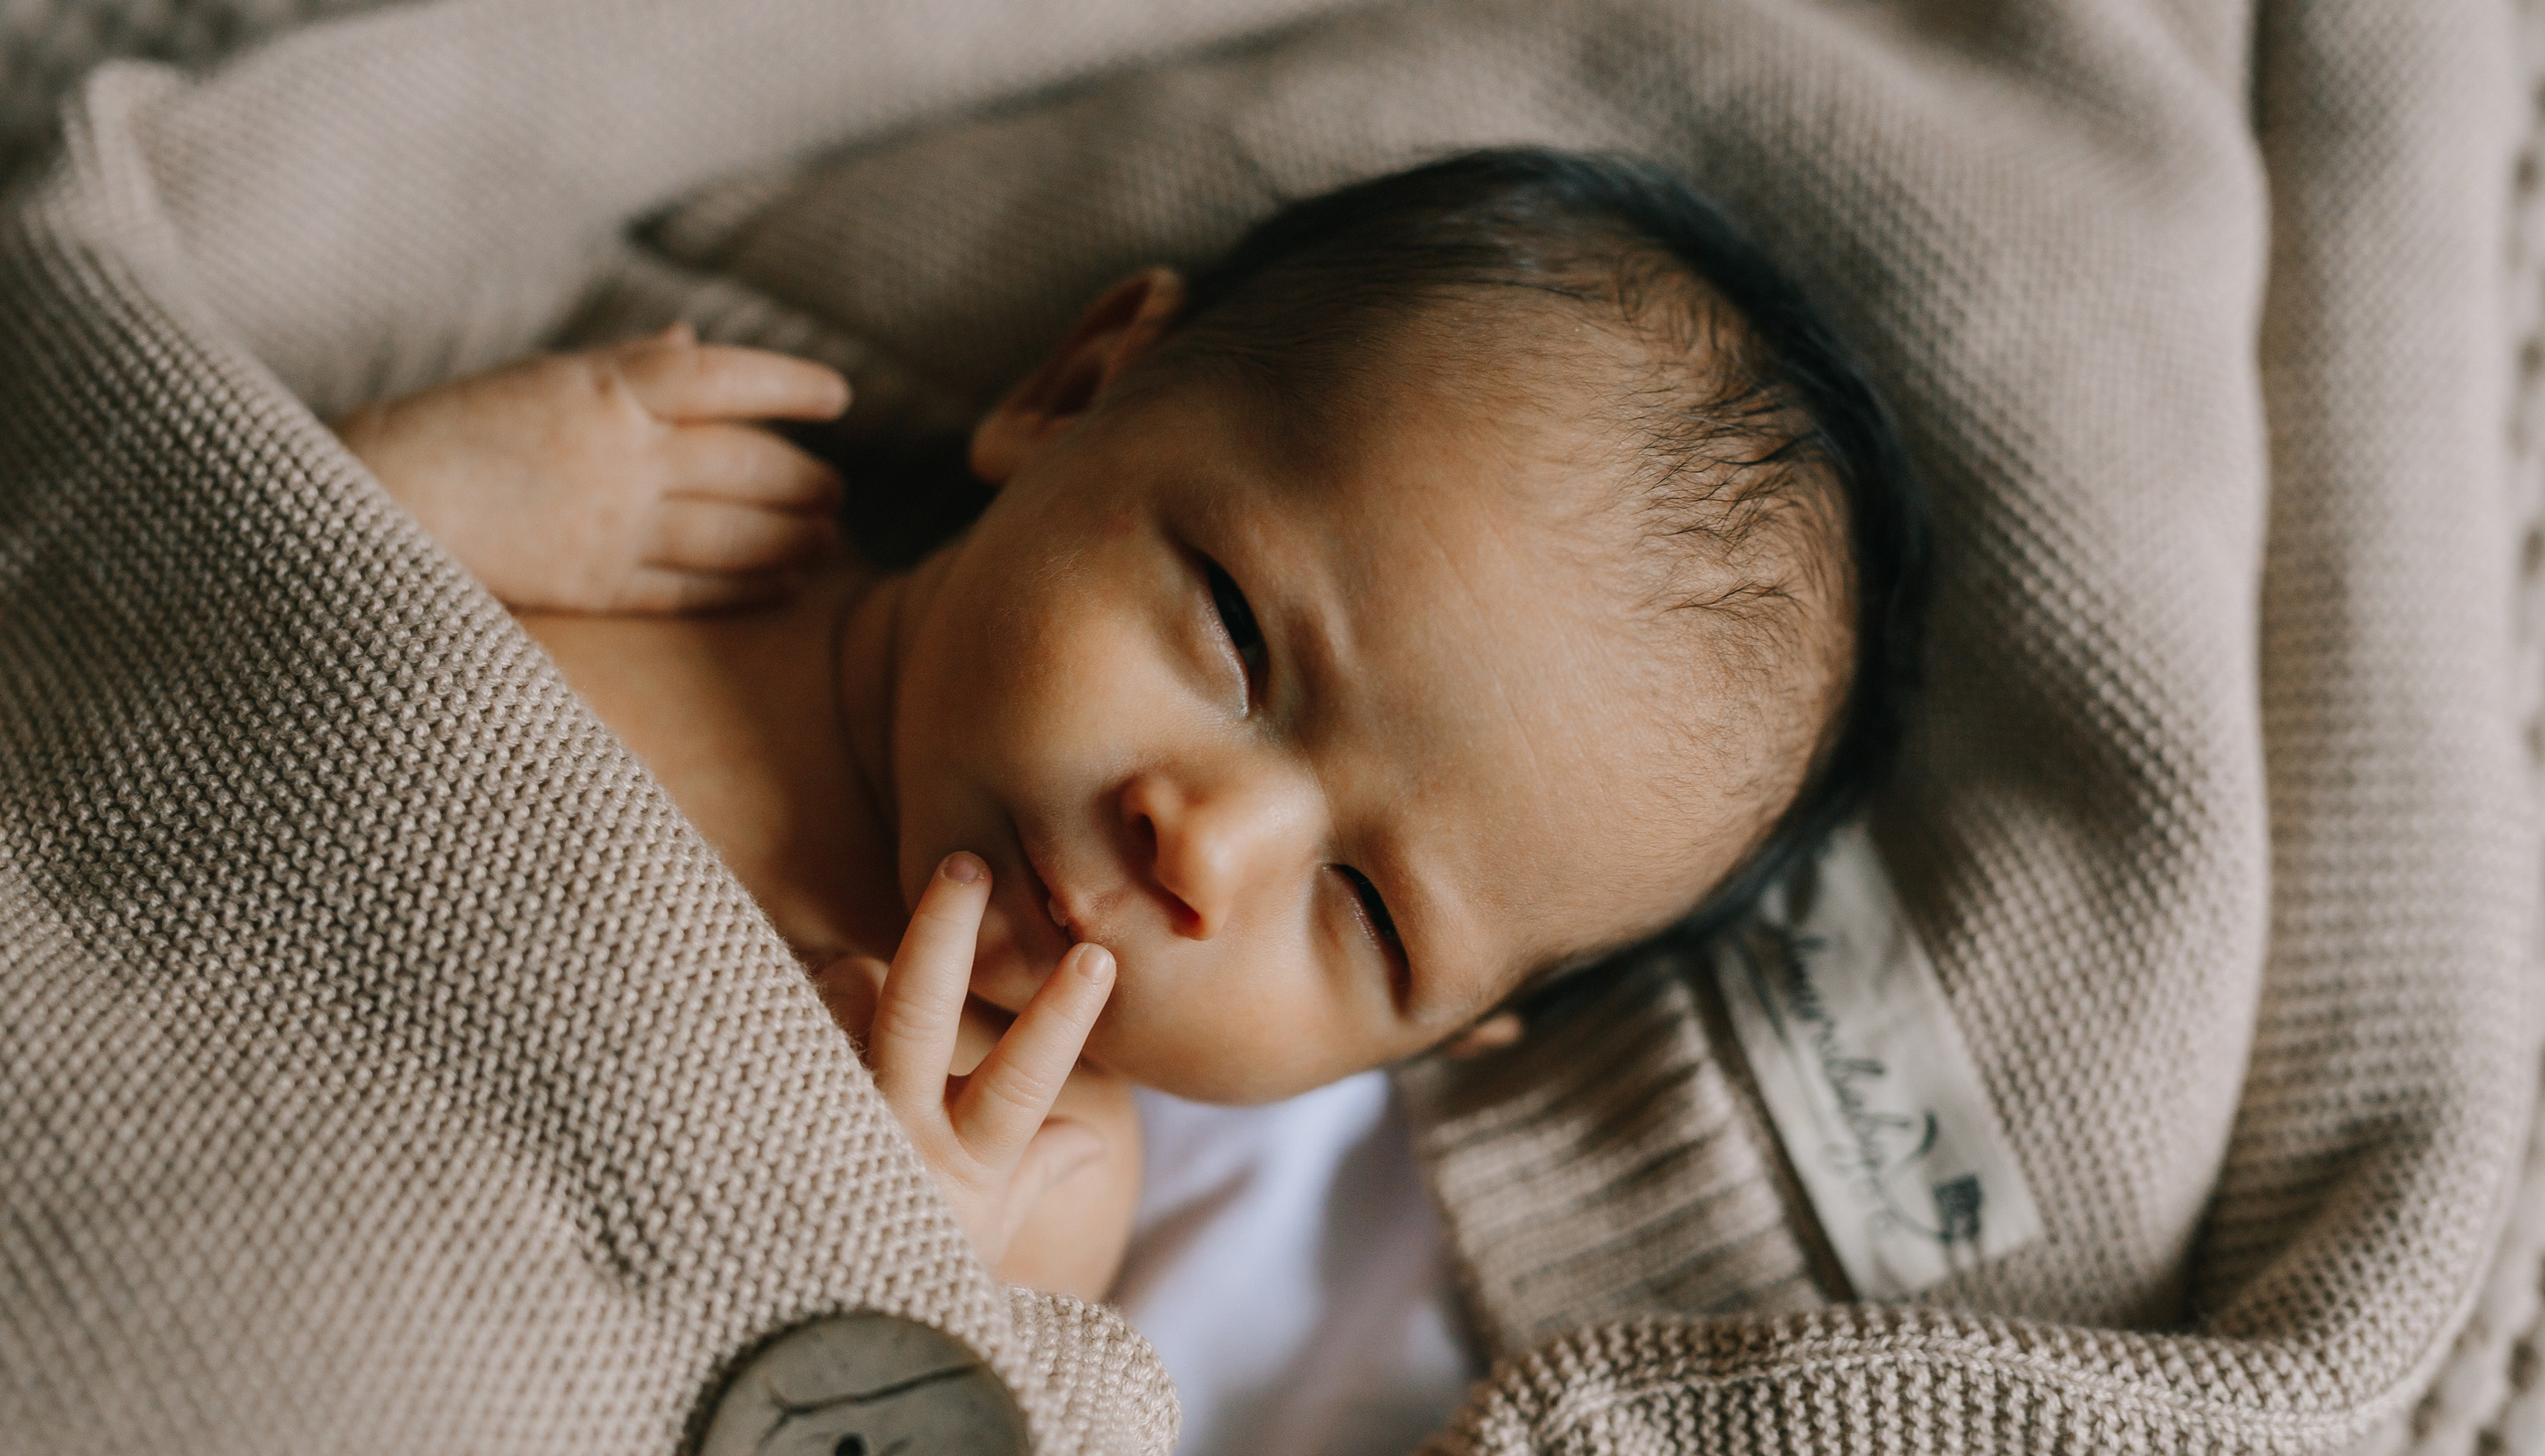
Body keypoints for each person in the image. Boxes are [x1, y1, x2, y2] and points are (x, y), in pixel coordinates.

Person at [329, 148, 1922, 1302]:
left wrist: (886, 1256)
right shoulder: (650, 548)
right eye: (1235, 632)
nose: (1205, 848)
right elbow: (135, 598)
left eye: (1367, 912)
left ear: (1427, 1047)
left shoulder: (1029, 1178)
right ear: (1080, 385)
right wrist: (399, 486)